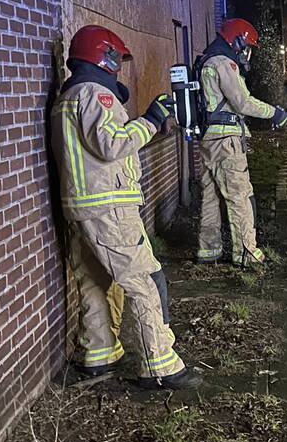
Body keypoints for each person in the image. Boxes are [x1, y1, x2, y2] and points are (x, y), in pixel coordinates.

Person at [52, 24, 201, 390]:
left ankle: (99, 355)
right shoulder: (94, 94)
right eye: (117, 58)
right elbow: (111, 145)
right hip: (110, 209)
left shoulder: (69, 97)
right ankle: (161, 365)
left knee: (94, 283)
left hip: (83, 207)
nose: (119, 66)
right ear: (105, 56)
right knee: (144, 282)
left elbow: (105, 154)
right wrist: (150, 118)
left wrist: (151, 132)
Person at [195, 18, 287, 268]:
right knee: (239, 196)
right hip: (227, 142)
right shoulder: (224, 63)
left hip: (208, 139)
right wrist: (276, 113)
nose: (246, 51)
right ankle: (247, 253)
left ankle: (209, 250)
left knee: (210, 195)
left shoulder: (205, 60)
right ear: (236, 40)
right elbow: (243, 102)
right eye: (246, 45)